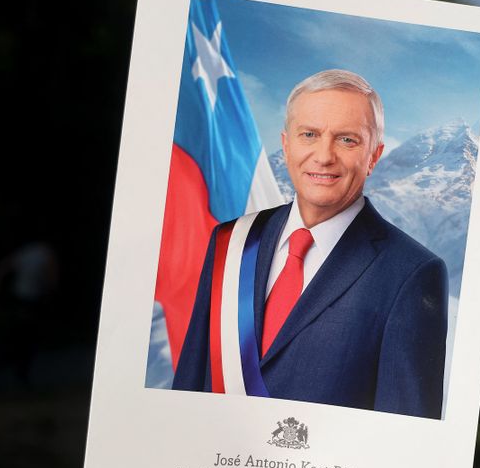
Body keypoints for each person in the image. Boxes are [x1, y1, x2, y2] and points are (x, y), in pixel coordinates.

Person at [173, 69, 448, 419]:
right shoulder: (231, 242)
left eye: (347, 139)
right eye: (309, 134)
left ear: (374, 157)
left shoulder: (410, 274)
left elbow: (403, 439)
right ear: (287, 146)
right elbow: (187, 390)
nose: (324, 155)